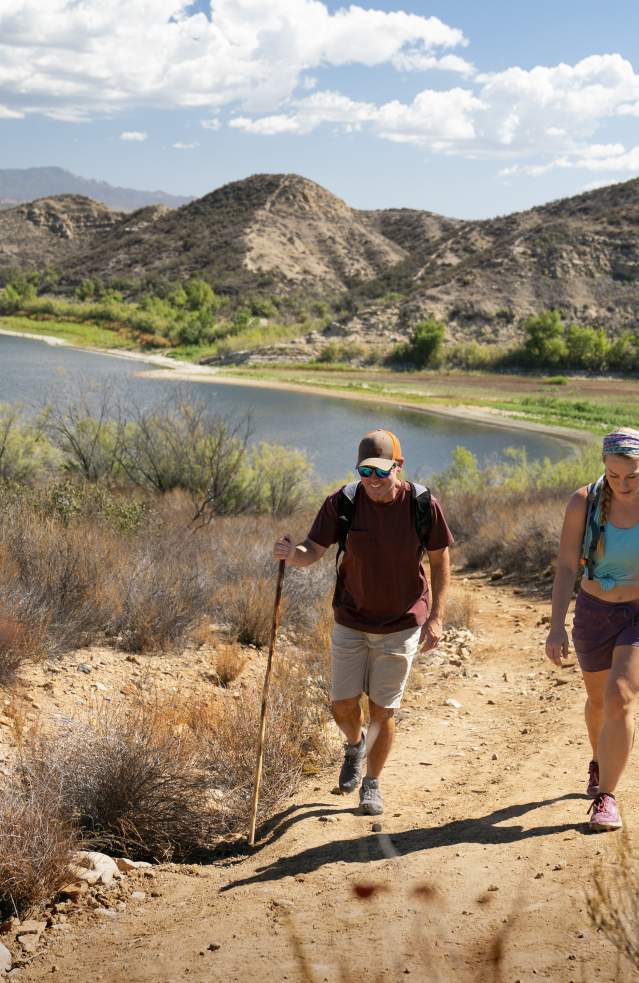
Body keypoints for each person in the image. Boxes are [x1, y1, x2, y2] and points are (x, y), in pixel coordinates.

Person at [273, 429, 453, 816]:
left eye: (380, 471)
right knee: (341, 704)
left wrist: (436, 617)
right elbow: (313, 550)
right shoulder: (344, 501)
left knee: (382, 710)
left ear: (398, 467)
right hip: (351, 618)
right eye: (364, 471)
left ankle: (371, 784)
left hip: (402, 621)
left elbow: (440, 561)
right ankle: (353, 747)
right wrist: (292, 554)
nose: (372, 480)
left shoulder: (422, 504)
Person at [545, 427, 639, 832]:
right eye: (615, 475)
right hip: (594, 611)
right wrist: (555, 626)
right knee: (598, 702)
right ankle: (599, 762)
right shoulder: (584, 502)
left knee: (620, 698)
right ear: (604, 466)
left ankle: (606, 797)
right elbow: (567, 566)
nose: (623, 485)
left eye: (633, 476)